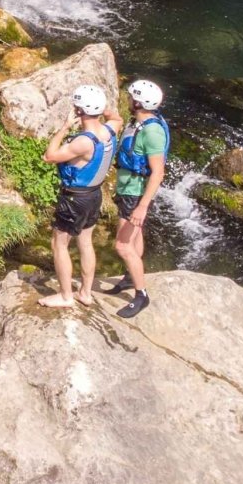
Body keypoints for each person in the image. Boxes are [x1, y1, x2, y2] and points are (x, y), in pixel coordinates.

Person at [39, 84, 120, 309]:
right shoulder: (111, 129)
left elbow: (49, 156)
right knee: (85, 242)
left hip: (75, 198)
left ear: (79, 111)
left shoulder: (83, 142)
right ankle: (85, 292)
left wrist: (65, 127)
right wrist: (101, 110)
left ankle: (66, 296)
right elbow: (117, 117)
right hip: (94, 195)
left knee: (59, 244)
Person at [107, 80, 168, 318]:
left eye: (132, 97)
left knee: (122, 246)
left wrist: (142, 206)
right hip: (127, 190)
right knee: (135, 237)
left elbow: (158, 172)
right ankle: (132, 277)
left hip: (134, 194)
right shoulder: (138, 122)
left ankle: (141, 295)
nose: (128, 99)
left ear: (139, 102)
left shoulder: (152, 132)